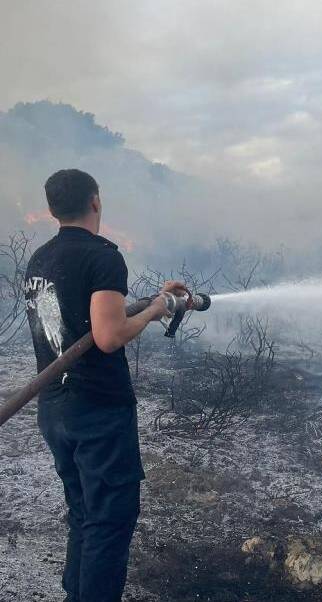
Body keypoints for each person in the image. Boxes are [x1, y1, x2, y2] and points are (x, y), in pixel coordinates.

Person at [23, 168, 186, 602]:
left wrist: (152, 300)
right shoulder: (103, 255)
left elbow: (83, 317)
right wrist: (154, 313)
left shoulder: (40, 258)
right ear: (96, 201)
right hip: (96, 410)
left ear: (53, 208)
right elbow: (107, 336)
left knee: (83, 511)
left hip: (54, 407)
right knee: (110, 519)